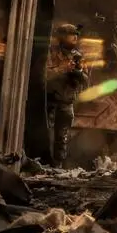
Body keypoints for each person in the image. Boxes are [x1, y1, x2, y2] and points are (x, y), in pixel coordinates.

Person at [45, 23, 89, 164]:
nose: (75, 37)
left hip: (67, 102)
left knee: (62, 138)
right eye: (72, 34)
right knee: (47, 135)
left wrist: (79, 72)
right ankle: (44, 164)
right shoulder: (51, 53)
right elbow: (45, 76)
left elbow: (86, 81)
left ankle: (57, 167)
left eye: (76, 34)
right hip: (51, 101)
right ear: (62, 36)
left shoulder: (78, 56)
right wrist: (63, 69)